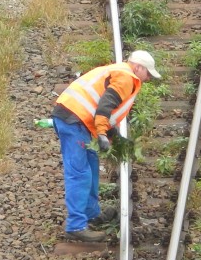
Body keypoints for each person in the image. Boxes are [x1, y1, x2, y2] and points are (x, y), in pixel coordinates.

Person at [51, 50, 160, 242]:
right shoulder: (127, 77)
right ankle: (76, 226)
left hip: (79, 120)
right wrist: (102, 133)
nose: (149, 78)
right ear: (138, 67)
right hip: (73, 120)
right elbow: (105, 106)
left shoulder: (121, 72)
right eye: (148, 73)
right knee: (80, 173)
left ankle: (91, 214)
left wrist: (110, 133)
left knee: (92, 168)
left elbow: (101, 105)